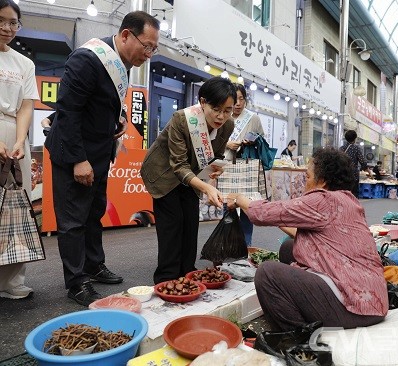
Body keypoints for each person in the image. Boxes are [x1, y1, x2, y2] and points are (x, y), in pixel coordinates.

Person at [44, 11, 160, 306]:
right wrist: (77, 160)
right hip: (75, 154)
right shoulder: (87, 59)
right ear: (125, 36)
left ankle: (94, 265)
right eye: (146, 46)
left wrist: (117, 121)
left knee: (94, 212)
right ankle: (76, 281)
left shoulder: (123, 63)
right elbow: (68, 111)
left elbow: (104, 104)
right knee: (73, 220)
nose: (148, 54)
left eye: (153, 49)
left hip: (99, 152)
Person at [226, 147, 388, 331]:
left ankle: (297, 336)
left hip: (355, 308)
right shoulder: (347, 201)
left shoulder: (323, 200)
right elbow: (299, 229)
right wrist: (279, 218)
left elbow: (265, 212)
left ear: (323, 182)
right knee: (288, 248)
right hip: (373, 301)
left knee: (267, 273)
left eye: (308, 177)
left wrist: (240, 199)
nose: (305, 182)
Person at [141, 77, 236, 284]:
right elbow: (178, 165)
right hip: (164, 174)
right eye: (216, 109)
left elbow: (215, 156)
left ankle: (187, 273)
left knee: (190, 224)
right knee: (172, 225)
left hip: (193, 176)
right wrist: (205, 187)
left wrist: (214, 176)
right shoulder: (182, 119)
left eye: (227, 110)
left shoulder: (228, 125)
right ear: (203, 102)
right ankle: (166, 278)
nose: (221, 116)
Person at [0, 0, 39, 300]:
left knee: (17, 206)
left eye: (13, 22)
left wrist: (19, 140)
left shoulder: (24, 63)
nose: (7, 28)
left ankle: (13, 280)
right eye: (1, 21)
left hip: (15, 133)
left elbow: (27, 105)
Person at [224, 83, 264, 246]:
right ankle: (226, 244)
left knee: (247, 208)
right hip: (226, 167)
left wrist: (251, 141)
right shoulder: (224, 115)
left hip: (247, 167)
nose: (238, 103)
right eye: (235, 99)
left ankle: (246, 246)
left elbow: (261, 139)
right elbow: (212, 139)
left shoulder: (253, 118)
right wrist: (228, 144)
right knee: (228, 207)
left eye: (242, 99)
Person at [340, 130, 369, 197]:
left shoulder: (341, 148)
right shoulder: (356, 148)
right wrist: (369, 172)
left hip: (342, 175)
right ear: (355, 138)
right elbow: (363, 162)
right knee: (353, 195)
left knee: (343, 195)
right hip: (353, 175)